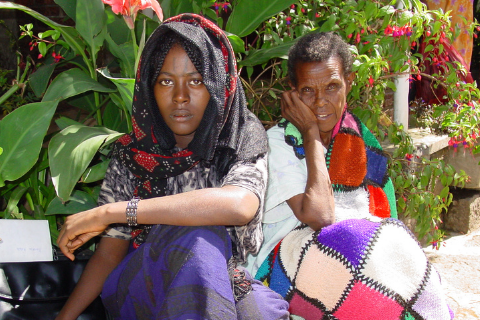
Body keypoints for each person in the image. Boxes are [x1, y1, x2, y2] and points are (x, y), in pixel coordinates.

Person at [55, 13, 289, 320]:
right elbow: (109, 256)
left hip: (220, 279)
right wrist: (63, 318)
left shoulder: (240, 137)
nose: (180, 97)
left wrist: (113, 211)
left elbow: (240, 204)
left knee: (262, 312)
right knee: (199, 240)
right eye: (166, 81)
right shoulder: (133, 154)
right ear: (150, 88)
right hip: (140, 284)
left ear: (218, 87)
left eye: (196, 81)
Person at [243, 32, 453, 320]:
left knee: (409, 266)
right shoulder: (279, 143)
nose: (320, 102)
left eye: (332, 87)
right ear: (292, 92)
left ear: (348, 84)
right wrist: (310, 135)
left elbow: (384, 222)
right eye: (307, 91)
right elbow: (321, 217)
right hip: (282, 262)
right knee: (368, 287)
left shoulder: (359, 140)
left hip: (348, 254)